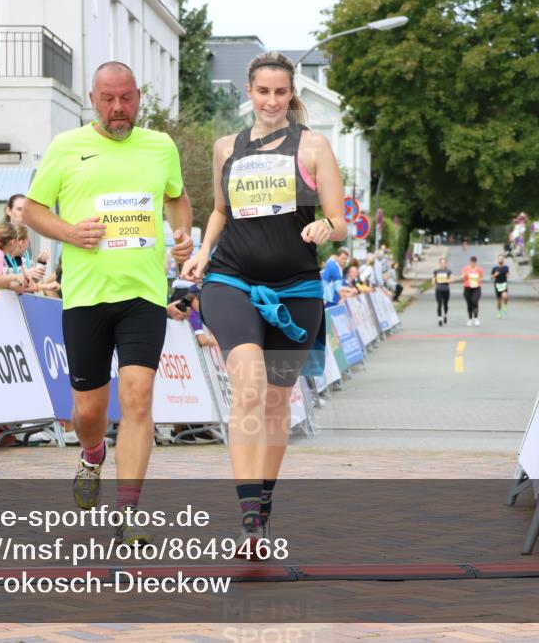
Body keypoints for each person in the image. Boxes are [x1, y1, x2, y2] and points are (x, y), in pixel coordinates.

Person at [180, 50, 345, 554]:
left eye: (280, 91)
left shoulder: (314, 146)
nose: (272, 100)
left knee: (275, 402)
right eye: (263, 91)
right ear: (249, 93)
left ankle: (264, 502)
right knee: (247, 381)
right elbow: (221, 212)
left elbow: (341, 222)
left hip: (296, 289)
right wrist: (203, 253)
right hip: (231, 280)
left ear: (290, 94)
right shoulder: (225, 147)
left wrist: (325, 227)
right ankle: (249, 517)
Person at [23, 61, 193, 546]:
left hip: (143, 294)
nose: (119, 109)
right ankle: (92, 451)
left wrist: (181, 234)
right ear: (92, 100)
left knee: (138, 398)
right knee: (88, 411)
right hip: (86, 296)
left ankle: (129, 512)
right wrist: (70, 232)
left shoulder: (161, 146)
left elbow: (177, 199)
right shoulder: (66, 147)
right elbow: (34, 209)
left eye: (127, 99)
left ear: (138, 97)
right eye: (108, 100)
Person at [460, 255, 484, 326]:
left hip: (476, 288)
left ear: (475, 262)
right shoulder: (466, 269)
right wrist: (466, 275)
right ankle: (470, 319)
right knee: (469, 304)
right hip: (467, 288)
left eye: (474, 262)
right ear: (470, 262)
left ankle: (476, 319)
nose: (472, 263)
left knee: (475, 301)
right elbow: (462, 278)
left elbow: (481, 277)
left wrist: (479, 279)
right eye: (471, 262)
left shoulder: (479, 269)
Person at [433, 257, 454, 326]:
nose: (443, 264)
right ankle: (440, 319)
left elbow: (452, 279)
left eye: (444, 263)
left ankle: (445, 315)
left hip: (446, 290)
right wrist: (433, 281)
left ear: (446, 264)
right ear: (439, 263)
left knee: (445, 304)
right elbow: (433, 279)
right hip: (438, 290)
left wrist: (446, 281)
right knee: (439, 304)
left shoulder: (448, 271)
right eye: (441, 263)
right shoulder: (436, 271)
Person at [490, 253, 510, 318]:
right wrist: (494, 275)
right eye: (499, 258)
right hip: (497, 284)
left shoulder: (506, 267)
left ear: (503, 260)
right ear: (497, 260)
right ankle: (499, 312)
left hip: (504, 284)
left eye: (502, 258)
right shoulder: (494, 268)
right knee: (499, 300)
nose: (500, 260)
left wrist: (508, 275)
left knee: (505, 296)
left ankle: (505, 305)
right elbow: (491, 277)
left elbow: (508, 274)